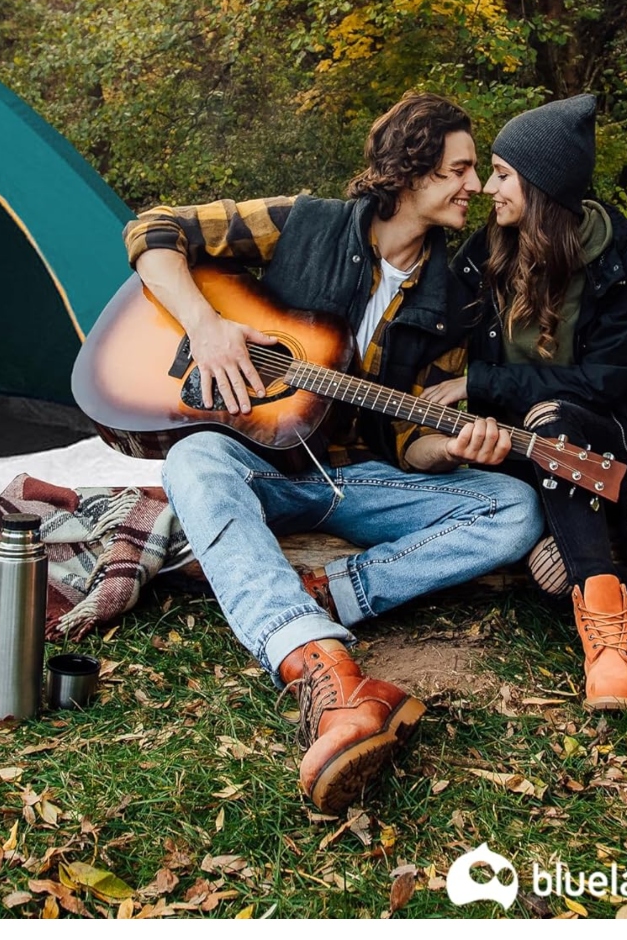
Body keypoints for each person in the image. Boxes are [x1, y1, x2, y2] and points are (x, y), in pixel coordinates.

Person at [124, 92, 542, 814]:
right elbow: (153, 228)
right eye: (459, 170)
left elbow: (411, 442)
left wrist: (451, 448)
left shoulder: (455, 297)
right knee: (193, 461)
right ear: (410, 173)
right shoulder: (304, 222)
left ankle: (334, 593)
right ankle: (320, 667)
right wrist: (209, 325)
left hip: (360, 478)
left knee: (514, 505)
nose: (474, 187)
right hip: (267, 465)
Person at [427, 94, 627, 717]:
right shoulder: (485, 257)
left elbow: (601, 381)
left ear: (542, 183)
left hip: (615, 453)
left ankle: (611, 651)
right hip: (526, 458)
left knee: (555, 414)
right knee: (552, 572)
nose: (489, 189)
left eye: (501, 173)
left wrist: (483, 384)